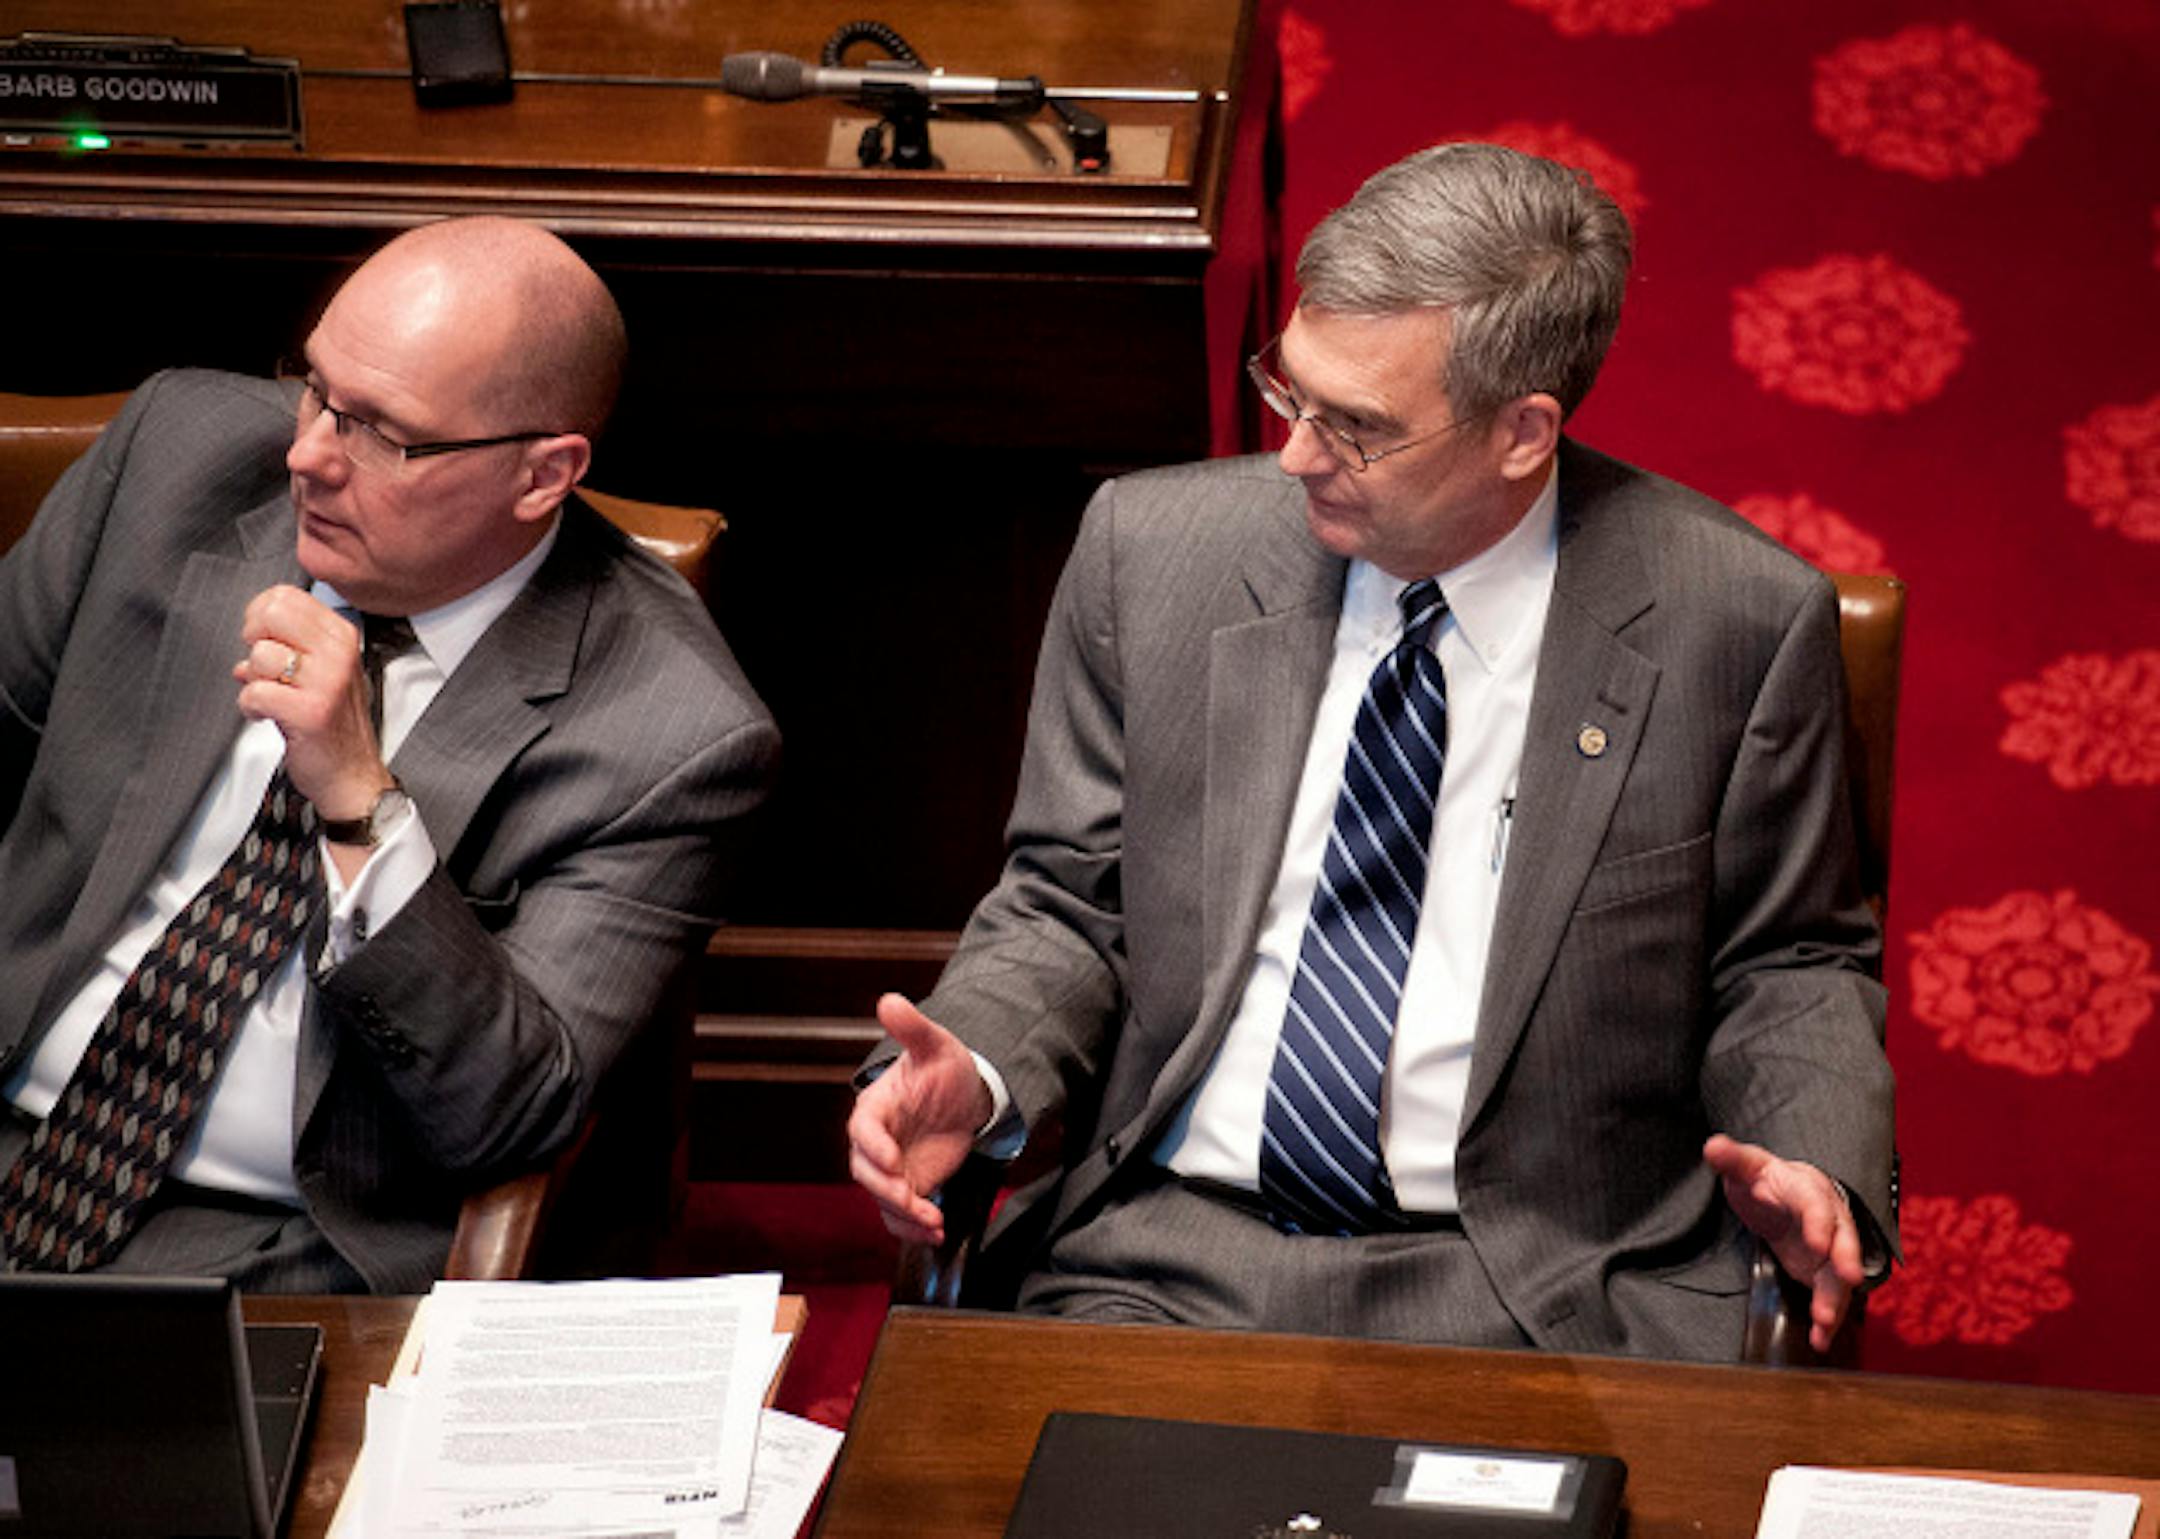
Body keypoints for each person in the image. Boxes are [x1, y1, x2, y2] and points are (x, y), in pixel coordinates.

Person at [849, 143, 1895, 1361]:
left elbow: (1792, 959)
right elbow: (1070, 905)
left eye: (1355, 428)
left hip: (1543, 1281)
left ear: (1523, 432)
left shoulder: (1735, 622)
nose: (1292, 452)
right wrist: (976, 1068)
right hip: (1171, 1252)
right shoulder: (1152, 554)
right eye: (1291, 392)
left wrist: (1815, 1153)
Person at [0, 216, 779, 1292]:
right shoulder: (172, 463)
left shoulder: (672, 734)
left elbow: (509, 1114)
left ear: (543, 474)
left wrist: (360, 806)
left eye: (381, 434)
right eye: (314, 388)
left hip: (278, 1250)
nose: (306, 456)